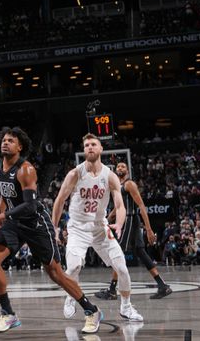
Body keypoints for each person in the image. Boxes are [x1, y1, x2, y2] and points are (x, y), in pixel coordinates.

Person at [0, 127, 103, 334]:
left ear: (20, 147)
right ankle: (8, 313)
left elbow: (29, 205)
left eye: (11, 141)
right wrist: (0, 214)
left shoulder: (26, 169)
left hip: (35, 223)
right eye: (4, 140)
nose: (5, 143)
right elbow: (3, 194)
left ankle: (91, 310)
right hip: (13, 222)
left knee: (55, 273)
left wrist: (1, 216)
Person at [51, 134, 143, 323]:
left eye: (94, 144)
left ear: (101, 149)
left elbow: (119, 205)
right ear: (84, 150)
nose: (90, 147)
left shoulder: (110, 176)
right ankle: (70, 296)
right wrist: (54, 227)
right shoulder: (75, 174)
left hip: (100, 227)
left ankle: (126, 307)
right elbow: (60, 200)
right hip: (77, 228)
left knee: (122, 269)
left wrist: (118, 223)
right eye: (86, 145)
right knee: (74, 266)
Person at [94, 162, 172, 300]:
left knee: (118, 252)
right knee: (140, 252)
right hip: (127, 219)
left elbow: (141, 205)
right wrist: (107, 218)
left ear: (128, 171)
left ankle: (112, 290)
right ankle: (162, 285)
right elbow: (118, 206)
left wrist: (148, 229)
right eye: (118, 166)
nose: (120, 168)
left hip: (130, 219)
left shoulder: (129, 184)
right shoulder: (117, 186)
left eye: (123, 166)